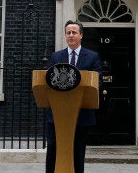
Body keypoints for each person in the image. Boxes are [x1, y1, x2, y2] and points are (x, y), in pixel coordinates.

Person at [46, 20, 102, 173]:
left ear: (81, 35)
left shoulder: (91, 57)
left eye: (74, 32)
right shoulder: (56, 57)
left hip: (81, 115)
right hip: (58, 115)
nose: (71, 35)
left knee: (77, 152)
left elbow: (98, 81)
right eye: (68, 32)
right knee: (53, 149)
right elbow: (48, 82)